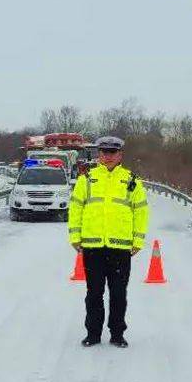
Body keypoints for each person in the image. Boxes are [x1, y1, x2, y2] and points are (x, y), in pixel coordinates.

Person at [68, 135, 149, 348]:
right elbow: (76, 208)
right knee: (94, 293)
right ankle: (93, 334)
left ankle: (117, 334)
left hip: (120, 248)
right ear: (98, 154)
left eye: (112, 152)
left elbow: (140, 212)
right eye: (104, 152)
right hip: (93, 247)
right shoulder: (87, 179)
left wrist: (138, 240)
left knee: (118, 294)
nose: (108, 156)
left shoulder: (131, 180)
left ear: (120, 154)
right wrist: (75, 237)